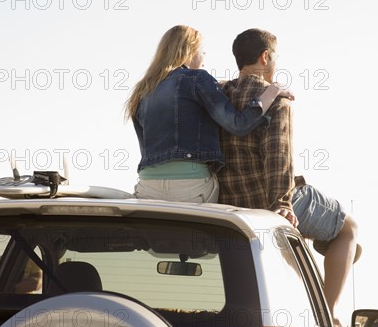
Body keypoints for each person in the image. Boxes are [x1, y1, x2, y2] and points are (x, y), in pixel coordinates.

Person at [217, 28, 361, 327]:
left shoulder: (218, 95)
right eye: (276, 57)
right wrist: (281, 203)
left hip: (230, 200)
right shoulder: (276, 98)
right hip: (269, 198)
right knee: (349, 228)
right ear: (265, 57)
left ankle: (320, 255)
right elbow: (278, 158)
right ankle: (331, 313)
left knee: (310, 245)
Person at [125, 25, 292, 203]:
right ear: (189, 52)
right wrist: (272, 91)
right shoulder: (198, 78)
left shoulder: (142, 90)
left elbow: (146, 148)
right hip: (192, 186)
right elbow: (238, 124)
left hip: (148, 184)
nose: (204, 58)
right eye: (202, 52)